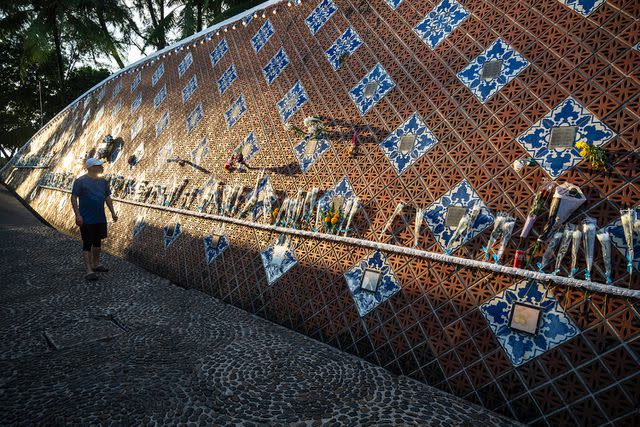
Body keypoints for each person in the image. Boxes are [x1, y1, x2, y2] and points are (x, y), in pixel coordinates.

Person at [70, 158, 118, 280]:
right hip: (86, 218)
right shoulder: (80, 181)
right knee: (87, 243)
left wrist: (112, 212)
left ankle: (96, 264)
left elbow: (107, 198)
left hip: (100, 217)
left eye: (101, 165)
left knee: (97, 242)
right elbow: (74, 198)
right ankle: (88, 270)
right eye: (98, 165)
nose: (101, 167)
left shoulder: (103, 181)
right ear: (90, 167)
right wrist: (78, 215)